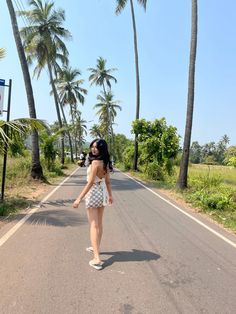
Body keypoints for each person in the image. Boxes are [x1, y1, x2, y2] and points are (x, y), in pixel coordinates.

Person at [73, 139, 113, 270]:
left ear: (101, 149)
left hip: (93, 192)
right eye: (92, 147)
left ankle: (97, 258)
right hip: (102, 193)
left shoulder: (95, 162)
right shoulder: (105, 163)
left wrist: (79, 198)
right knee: (99, 224)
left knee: (93, 225)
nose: (93, 149)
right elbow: (107, 182)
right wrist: (110, 195)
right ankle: (95, 247)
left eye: (96, 147)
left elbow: (90, 183)